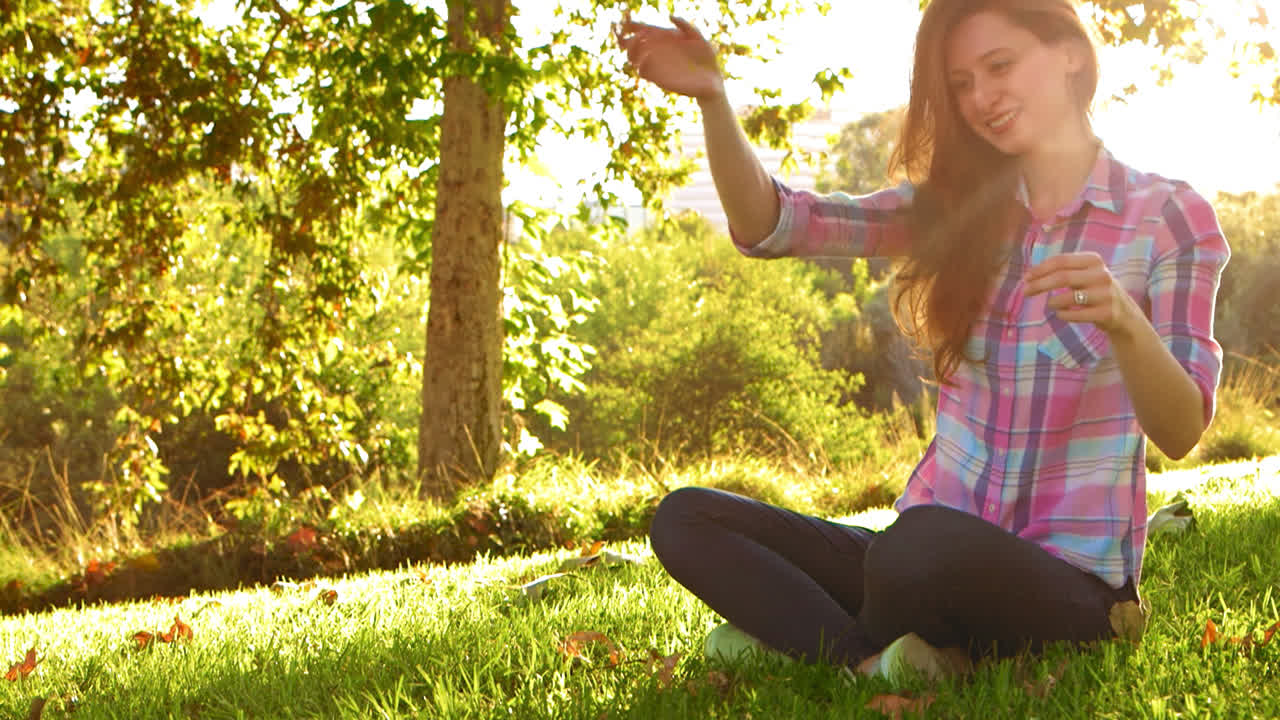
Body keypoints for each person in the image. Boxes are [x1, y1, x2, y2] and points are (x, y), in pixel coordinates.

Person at [615, 0, 1230, 682]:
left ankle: (806, 638)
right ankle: (870, 661)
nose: (982, 98)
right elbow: (778, 225)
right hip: (921, 552)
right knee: (687, 519)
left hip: (1068, 589)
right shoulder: (954, 210)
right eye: (961, 84)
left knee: (916, 550)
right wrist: (713, 99)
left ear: (1071, 54)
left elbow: (1181, 429)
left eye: (1000, 66)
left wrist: (1124, 322)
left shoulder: (1169, 217)